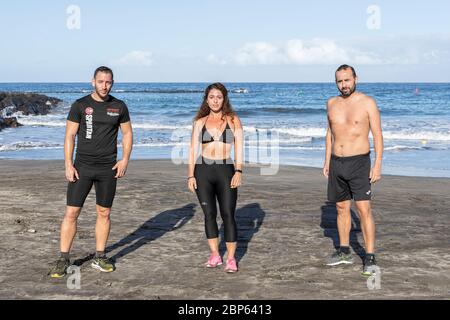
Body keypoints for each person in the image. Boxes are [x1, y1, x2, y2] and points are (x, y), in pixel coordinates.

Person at [49, 66, 133, 278]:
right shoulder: (80, 105)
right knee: (71, 212)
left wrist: (125, 160)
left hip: (108, 168)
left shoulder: (119, 106)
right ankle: (63, 258)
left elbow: (127, 133)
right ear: (93, 82)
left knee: (104, 213)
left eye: (109, 82)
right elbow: (70, 136)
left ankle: (100, 256)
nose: (105, 86)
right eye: (101, 81)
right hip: (82, 168)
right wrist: (68, 164)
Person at [323, 64, 384, 277]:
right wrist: (326, 161)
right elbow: (330, 134)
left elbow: (377, 135)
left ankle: (369, 256)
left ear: (355, 79)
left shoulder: (367, 103)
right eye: (339, 81)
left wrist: (377, 165)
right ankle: (344, 251)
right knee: (341, 208)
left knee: (363, 209)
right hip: (337, 162)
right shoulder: (331, 103)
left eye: (347, 80)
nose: (343, 85)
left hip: (359, 163)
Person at [188, 83, 243, 273]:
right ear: (206, 99)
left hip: (226, 170)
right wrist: (190, 175)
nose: (215, 100)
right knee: (209, 214)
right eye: (211, 97)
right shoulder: (199, 122)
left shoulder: (233, 120)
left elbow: (240, 147)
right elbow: (192, 150)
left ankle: (231, 259)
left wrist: (238, 171)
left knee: (228, 214)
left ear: (224, 98)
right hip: (203, 171)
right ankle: (214, 255)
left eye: (219, 97)